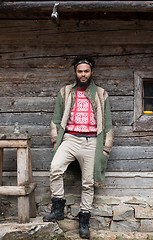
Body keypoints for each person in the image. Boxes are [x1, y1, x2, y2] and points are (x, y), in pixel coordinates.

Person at [43, 55, 113, 239]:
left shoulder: (101, 94)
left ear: (91, 72)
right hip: (70, 139)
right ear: (75, 72)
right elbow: (56, 119)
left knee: (88, 183)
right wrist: (55, 140)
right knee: (55, 168)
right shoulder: (66, 92)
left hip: (92, 143)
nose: (83, 75)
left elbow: (108, 125)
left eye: (86, 71)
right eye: (80, 71)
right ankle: (57, 209)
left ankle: (84, 222)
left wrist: (105, 149)